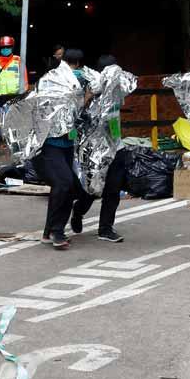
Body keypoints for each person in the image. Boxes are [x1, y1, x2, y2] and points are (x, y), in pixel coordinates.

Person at [70, 54, 131, 243]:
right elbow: (78, 113)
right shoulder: (90, 89)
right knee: (92, 189)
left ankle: (105, 228)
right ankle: (78, 211)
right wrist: (92, 93)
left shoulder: (117, 91)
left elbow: (127, 89)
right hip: (95, 150)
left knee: (113, 189)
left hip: (116, 146)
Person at [36, 48, 88, 249]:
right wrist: (85, 95)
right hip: (51, 144)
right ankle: (56, 232)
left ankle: (50, 231)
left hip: (66, 144)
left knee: (68, 187)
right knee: (64, 184)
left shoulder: (60, 80)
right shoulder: (59, 81)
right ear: (76, 64)